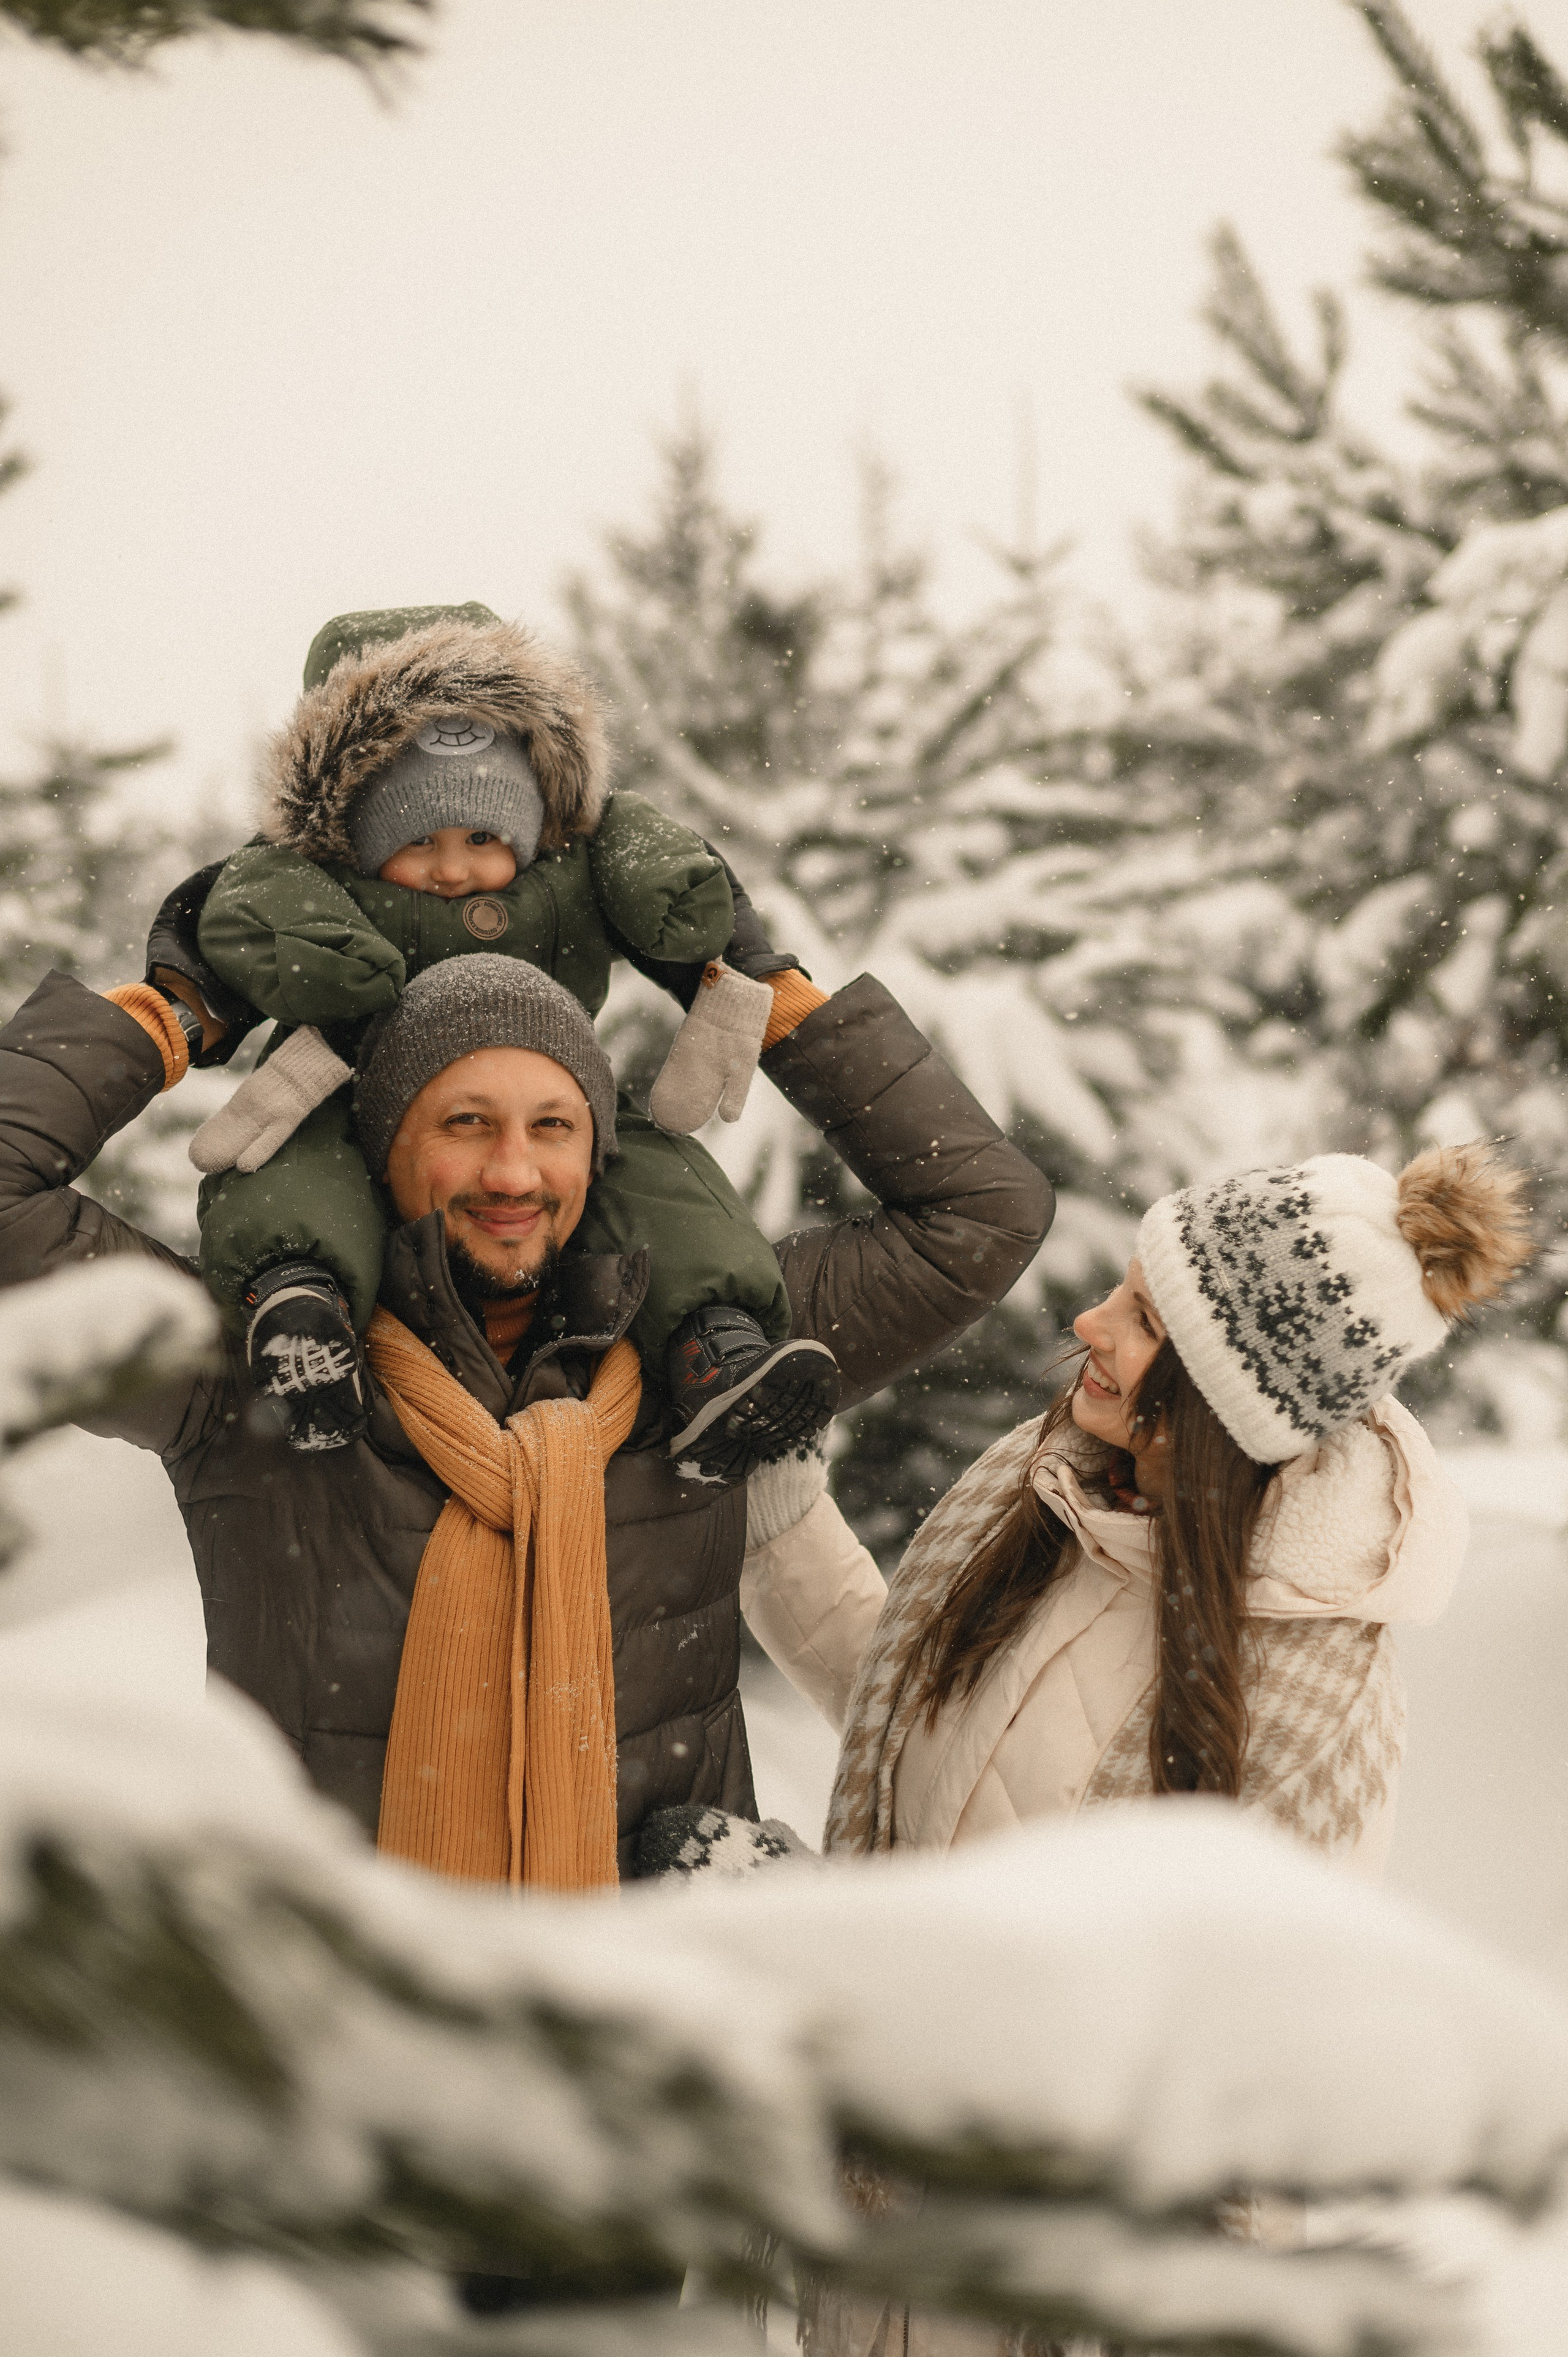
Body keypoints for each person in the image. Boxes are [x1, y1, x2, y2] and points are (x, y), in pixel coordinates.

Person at [0, 913, 1052, 1883]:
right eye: (466, 1123)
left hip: (659, 1985)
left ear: (598, 1151)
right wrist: (177, 1010)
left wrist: (758, 989)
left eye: (554, 1125)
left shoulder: (711, 1366)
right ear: (384, 1147)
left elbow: (985, 1210)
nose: (514, 1172)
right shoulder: (267, 1368)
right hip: (338, 1983)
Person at [739, 1143, 1528, 2357]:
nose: (1088, 1324)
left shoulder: (1307, 1705)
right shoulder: (1045, 1491)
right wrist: (775, 1507)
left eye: (1145, 1320)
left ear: (1226, 1402)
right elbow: (908, 1727)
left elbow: (1244, 2099)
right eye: (1122, 1290)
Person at [167, 600, 838, 1479]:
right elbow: (234, 913)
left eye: (484, 838)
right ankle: (299, 1308)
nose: (454, 868)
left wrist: (738, 964)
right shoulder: (308, 873)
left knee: (657, 1177)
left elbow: (678, 880)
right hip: (338, 1079)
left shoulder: (579, 860)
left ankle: (718, 1342)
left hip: (552, 1091)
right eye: (417, 841)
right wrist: (229, 987)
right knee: (293, 1171)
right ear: (352, 835)